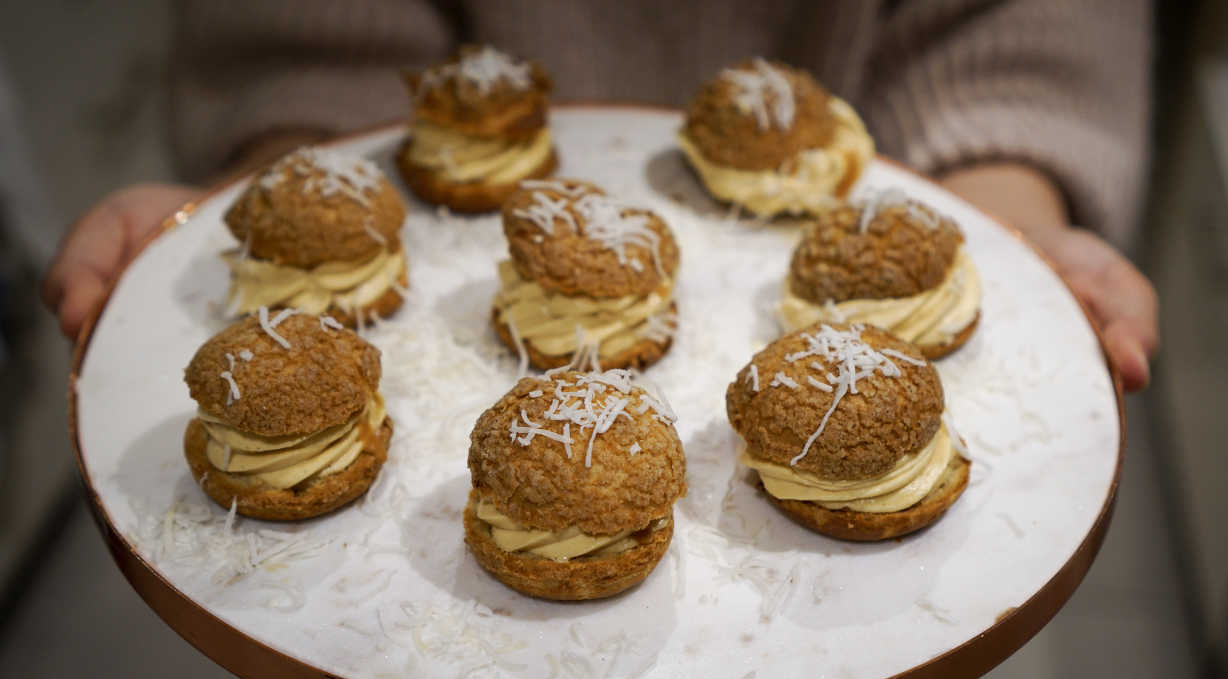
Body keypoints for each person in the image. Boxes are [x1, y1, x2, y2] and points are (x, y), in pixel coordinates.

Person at [40, 0, 1157, 391]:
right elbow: (312, 26)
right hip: (435, 134)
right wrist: (292, 174)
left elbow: (1023, 30)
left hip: (868, 170)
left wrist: (1009, 220)